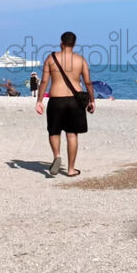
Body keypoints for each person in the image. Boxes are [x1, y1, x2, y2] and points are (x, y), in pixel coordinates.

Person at [36, 31, 95, 177]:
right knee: (72, 134)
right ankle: (71, 169)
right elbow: (88, 82)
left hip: (56, 99)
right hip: (75, 101)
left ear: (61, 43)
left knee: (54, 131)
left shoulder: (51, 58)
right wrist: (92, 100)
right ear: (74, 44)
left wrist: (39, 101)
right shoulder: (80, 60)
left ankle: (57, 156)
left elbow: (44, 81)